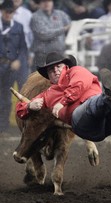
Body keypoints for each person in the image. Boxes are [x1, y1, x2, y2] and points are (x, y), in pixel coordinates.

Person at [16, 52, 111, 141]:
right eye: (51, 69)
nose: (55, 70)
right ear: (48, 75)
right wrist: (29, 106)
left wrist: (62, 102)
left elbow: (79, 84)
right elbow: (20, 110)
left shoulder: (77, 71)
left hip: (108, 122)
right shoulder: (47, 94)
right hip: (84, 125)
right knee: (92, 104)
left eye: (58, 66)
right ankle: (110, 98)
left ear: (66, 67)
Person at [0, 0, 27, 136]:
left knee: (22, 94)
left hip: (15, 67)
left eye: (11, 12)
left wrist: (18, 60)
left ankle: (25, 125)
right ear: (2, 11)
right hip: (1, 67)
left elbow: (23, 48)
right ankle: (2, 128)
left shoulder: (18, 27)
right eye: (6, 11)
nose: (8, 14)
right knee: (3, 98)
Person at [30, 0, 71, 71]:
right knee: (41, 80)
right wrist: (63, 29)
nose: (46, 3)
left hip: (60, 55)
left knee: (60, 79)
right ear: (39, 3)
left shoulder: (61, 14)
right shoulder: (35, 17)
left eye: (49, 1)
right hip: (42, 57)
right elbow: (44, 35)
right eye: (44, 1)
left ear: (52, 2)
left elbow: (71, 26)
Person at [13, 0, 32, 88]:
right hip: (4, 55)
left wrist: (31, 54)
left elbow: (32, 37)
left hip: (23, 54)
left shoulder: (27, 14)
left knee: (24, 86)